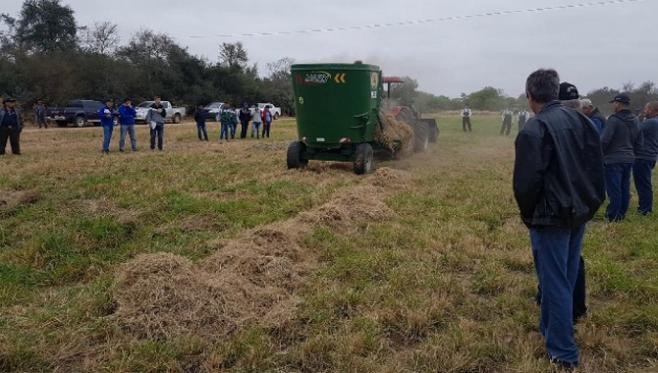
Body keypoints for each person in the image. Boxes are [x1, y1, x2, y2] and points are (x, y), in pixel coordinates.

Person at [514, 69, 605, 369]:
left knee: (554, 283)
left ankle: (563, 352)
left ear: (530, 95)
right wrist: (590, 203)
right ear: (553, 92)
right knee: (563, 277)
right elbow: (596, 167)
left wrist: (529, 216)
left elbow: (526, 184)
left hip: (551, 218)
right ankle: (549, 330)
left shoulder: (534, 129)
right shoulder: (583, 120)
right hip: (578, 212)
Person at [601, 93, 643, 222]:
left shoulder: (613, 120)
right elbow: (639, 142)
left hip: (613, 159)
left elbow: (604, 140)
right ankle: (621, 214)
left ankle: (612, 215)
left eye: (614, 103)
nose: (613, 105)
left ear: (618, 104)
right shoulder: (635, 120)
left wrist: (599, 154)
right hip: (629, 158)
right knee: (624, 188)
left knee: (614, 189)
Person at [633, 101, 658, 215]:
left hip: (644, 156)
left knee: (643, 184)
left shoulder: (651, 122)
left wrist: (638, 118)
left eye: (647, 109)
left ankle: (645, 209)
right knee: (644, 183)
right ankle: (645, 207)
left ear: (654, 110)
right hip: (650, 155)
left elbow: (635, 130)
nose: (645, 111)